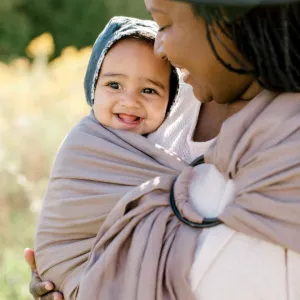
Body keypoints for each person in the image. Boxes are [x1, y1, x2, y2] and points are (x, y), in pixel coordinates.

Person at [27, 0, 300, 299]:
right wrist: (70, 272)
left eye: (165, 24)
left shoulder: (286, 142)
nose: (158, 47)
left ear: (227, 17)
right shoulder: (176, 98)